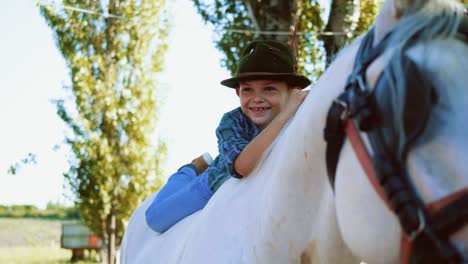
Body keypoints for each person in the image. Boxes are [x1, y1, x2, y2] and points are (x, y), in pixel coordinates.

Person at [145, 39, 311, 233]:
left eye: (269, 89)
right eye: (248, 89)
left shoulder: (301, 119)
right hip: (216, 183)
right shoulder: (231, 121)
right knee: (155, 219)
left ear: (292, 93)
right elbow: (242, 167)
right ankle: (189, 170)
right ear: (238, 92)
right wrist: (284, 116)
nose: (257, 98)